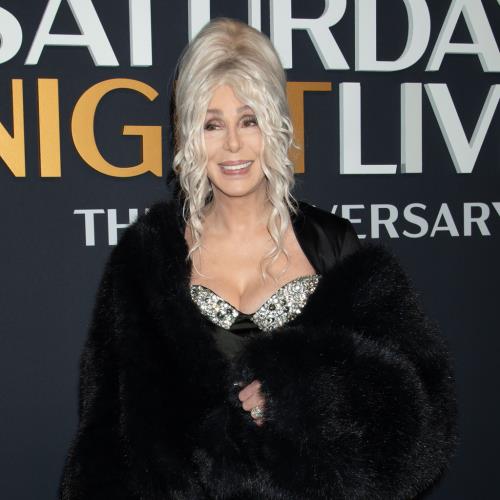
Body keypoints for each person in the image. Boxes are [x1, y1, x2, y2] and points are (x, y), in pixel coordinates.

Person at [59, 17, 458, 500]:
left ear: (275, 124)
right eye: (212, 124)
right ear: (187, 135)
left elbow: (417, 417)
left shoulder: (331, 245)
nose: (232, 144)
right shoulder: (147, 260)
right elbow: (105, 440)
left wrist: (298, 395)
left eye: (249, 120)